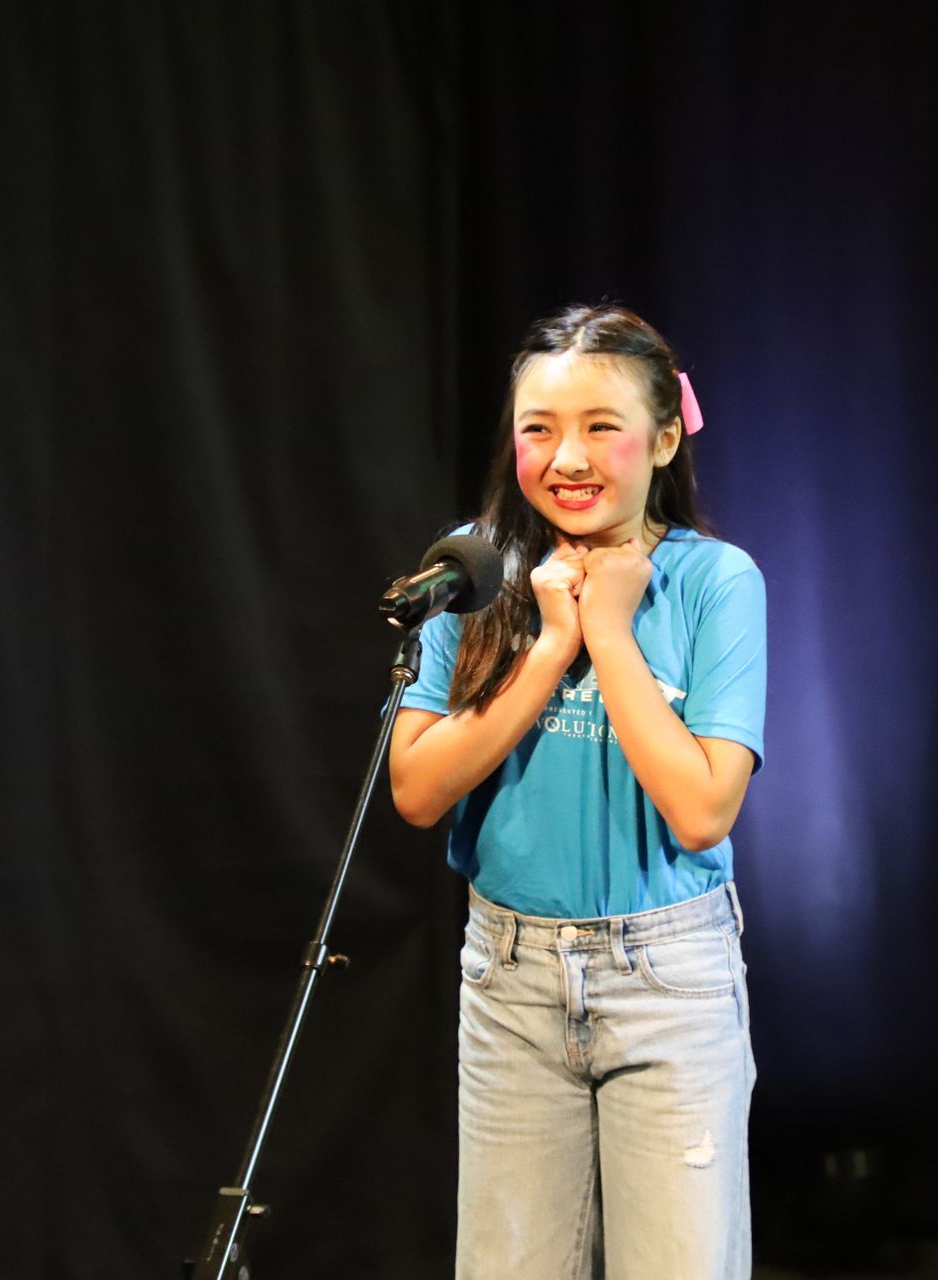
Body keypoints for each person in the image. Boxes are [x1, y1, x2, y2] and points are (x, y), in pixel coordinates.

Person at [389, 304, 767, 1279]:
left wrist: (608, 628)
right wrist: (550, 641)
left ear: (666, 435)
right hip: (509, 977)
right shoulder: (472, 569)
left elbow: (700, 808)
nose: (570, 456)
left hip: (669, 979)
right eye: (539, 429)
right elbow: (417, 788)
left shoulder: (716, 581)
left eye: (603, 425)